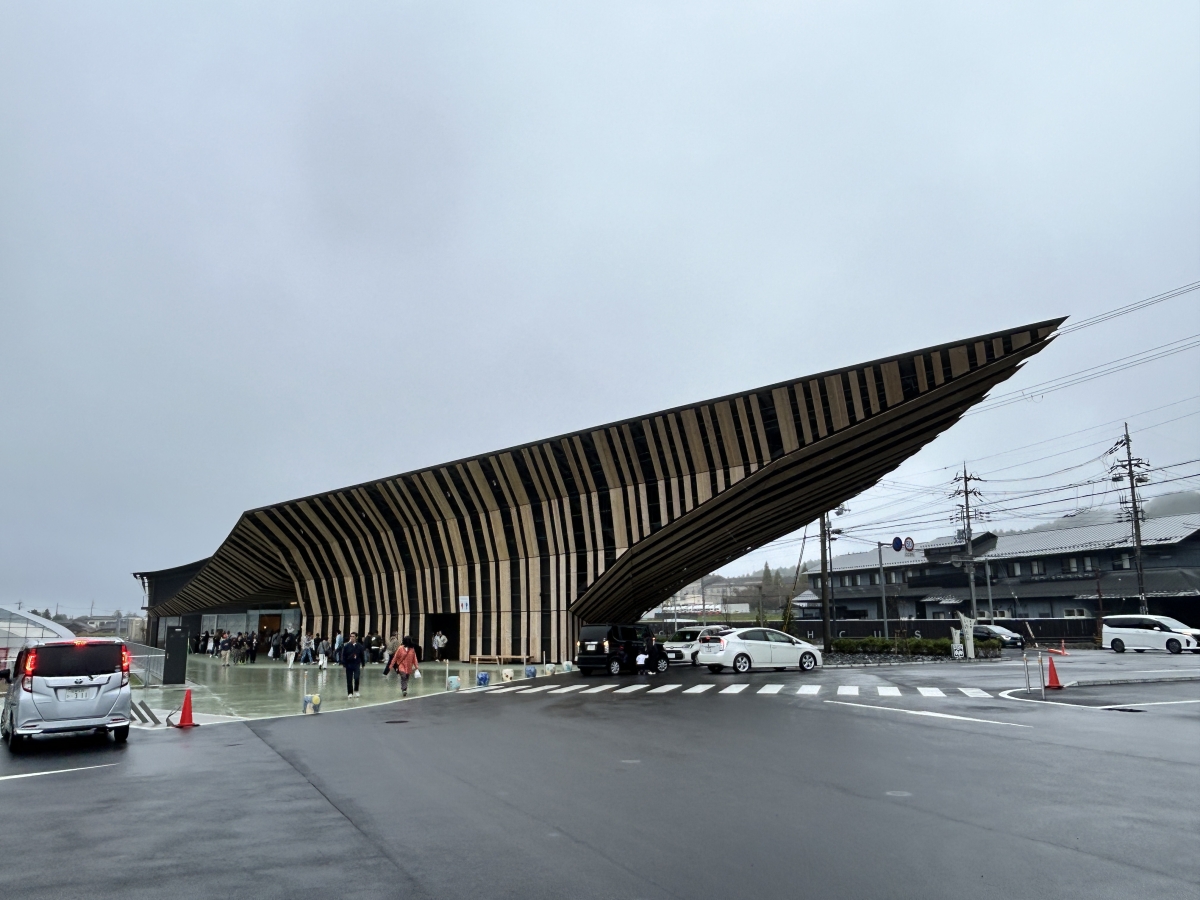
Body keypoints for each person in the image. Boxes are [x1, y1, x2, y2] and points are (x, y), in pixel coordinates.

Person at [341, 631, 365, 698]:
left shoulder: (360, 646)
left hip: (356, 664)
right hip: (349, 664)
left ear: (356, 637)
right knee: (349, 679)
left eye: (353, 636)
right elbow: (344, 655)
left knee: (357, 677)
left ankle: (356, 690)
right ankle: (350, 692)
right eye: (351, 636)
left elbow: (362, 655)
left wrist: (363, 664)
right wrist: (344, 664)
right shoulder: (346, 646)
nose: (351, 638)